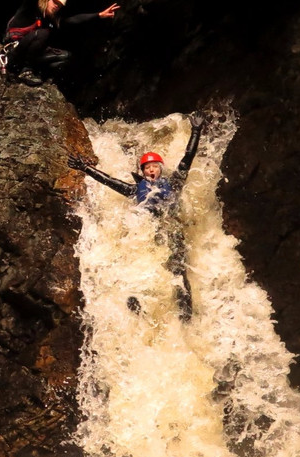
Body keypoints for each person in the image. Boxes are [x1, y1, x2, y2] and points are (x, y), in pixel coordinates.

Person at [68, 113, 207, 320]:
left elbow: (188, 157)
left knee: (179, 273)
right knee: (143, 270)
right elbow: (108, 180)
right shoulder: (135, 190)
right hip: (148, 236)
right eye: (147, 167)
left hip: (172, 232)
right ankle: (141, 313)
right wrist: (84, 168)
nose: (151, 170)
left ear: (160, 169)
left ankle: (186, 316)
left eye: (154, 166)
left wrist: (196, 130)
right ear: (143, 172)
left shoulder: (175, 183)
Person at [3, 0, 120, 85]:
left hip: (29, 56)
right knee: (43, 33)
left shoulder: (50, 20)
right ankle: (26, 71)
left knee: (65, 56)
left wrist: (98, 15)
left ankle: (44, 78)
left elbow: (73, 20)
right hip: (13, 54)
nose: (56, 6)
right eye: (54, 2)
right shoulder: (30, 9)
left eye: (59, 6)